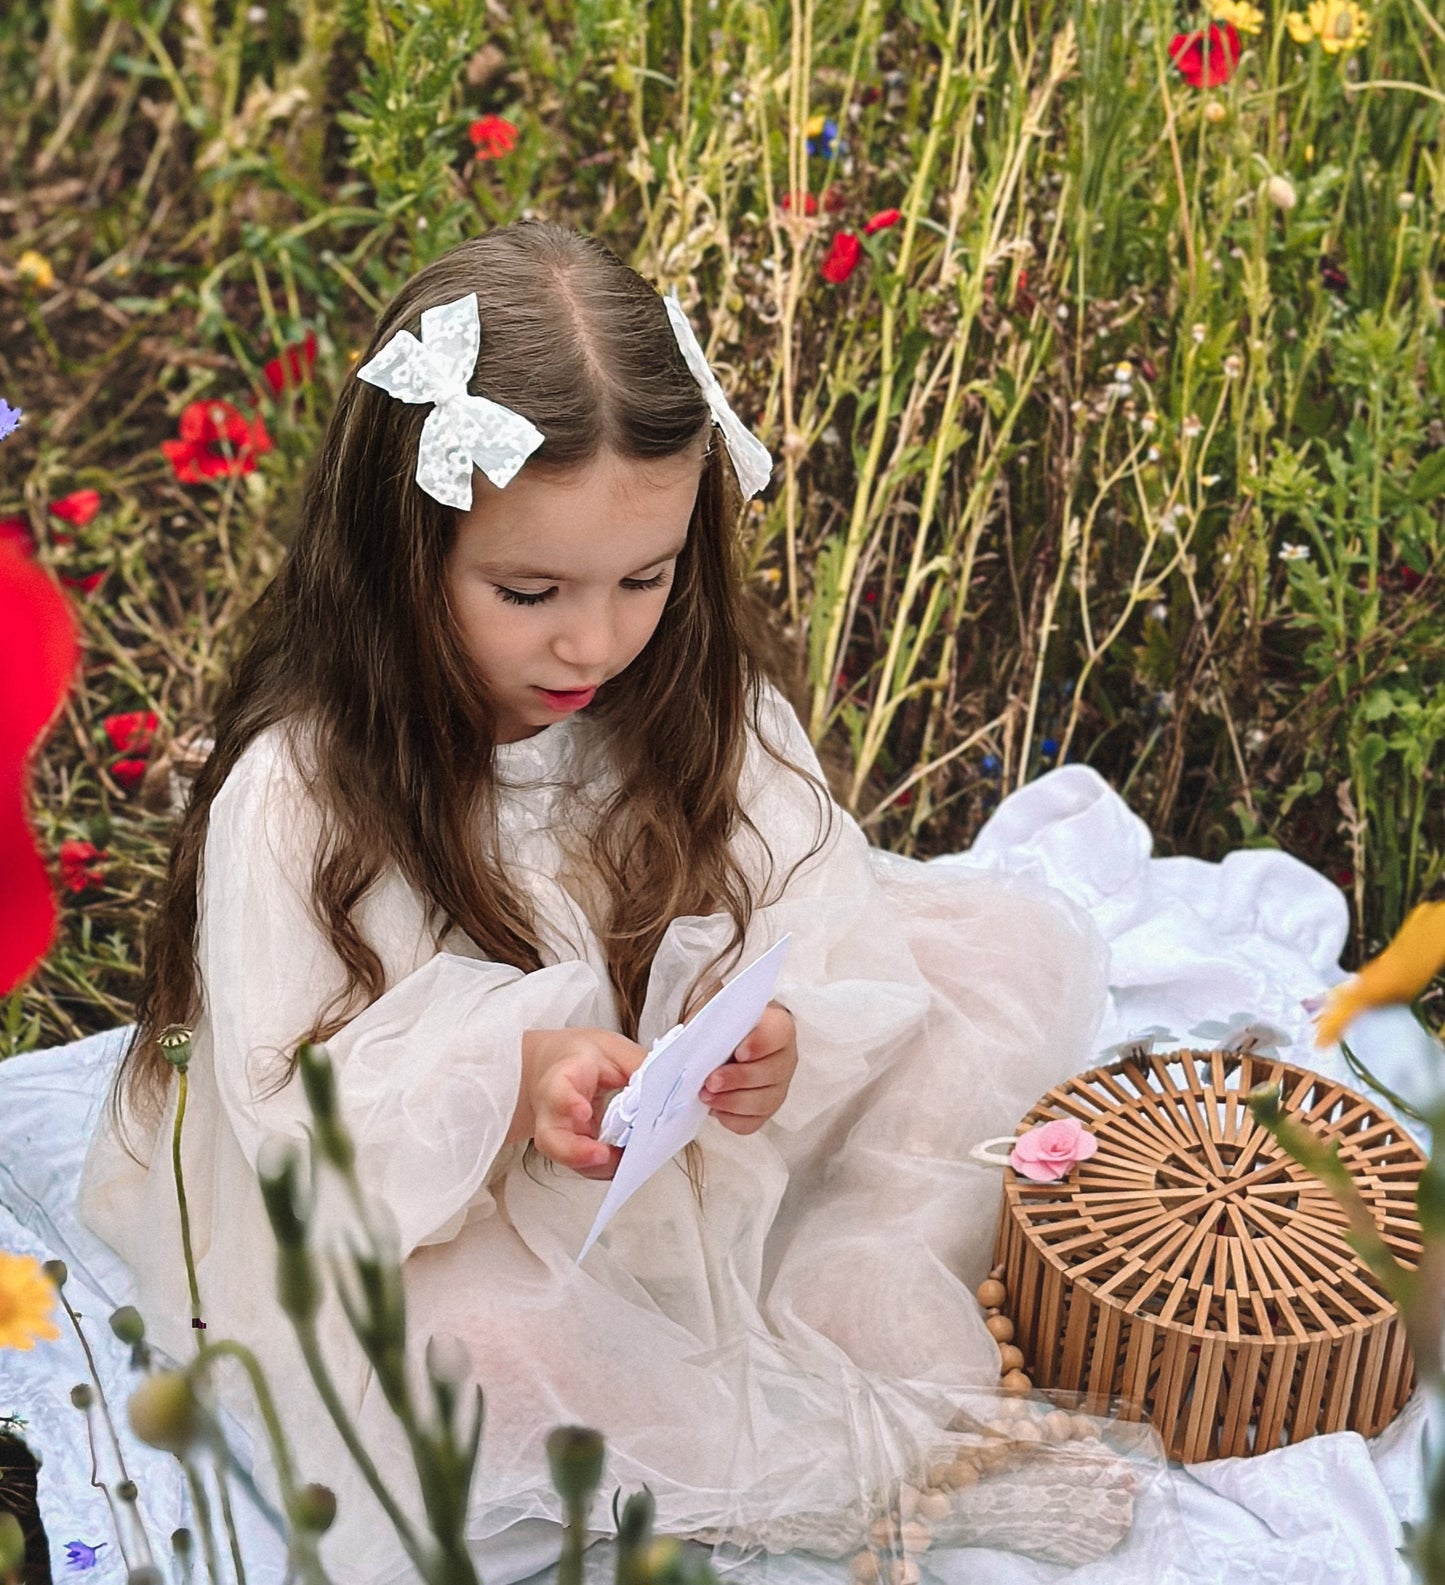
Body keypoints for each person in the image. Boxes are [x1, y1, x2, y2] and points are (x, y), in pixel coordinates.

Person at [78, 222, 1149, 1584]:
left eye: (645, 578)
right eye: (529, 592)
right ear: (401, 559)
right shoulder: (304, 787)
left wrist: (770, 1033)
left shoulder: (691, 703)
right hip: (435, 1210)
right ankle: (846, 1462)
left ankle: (839, 1306)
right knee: (488, 1352)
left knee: (988, 954)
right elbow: (292, 1104)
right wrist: (507, 1076)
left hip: (681, 1159)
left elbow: (810, 905)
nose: (594, 640)